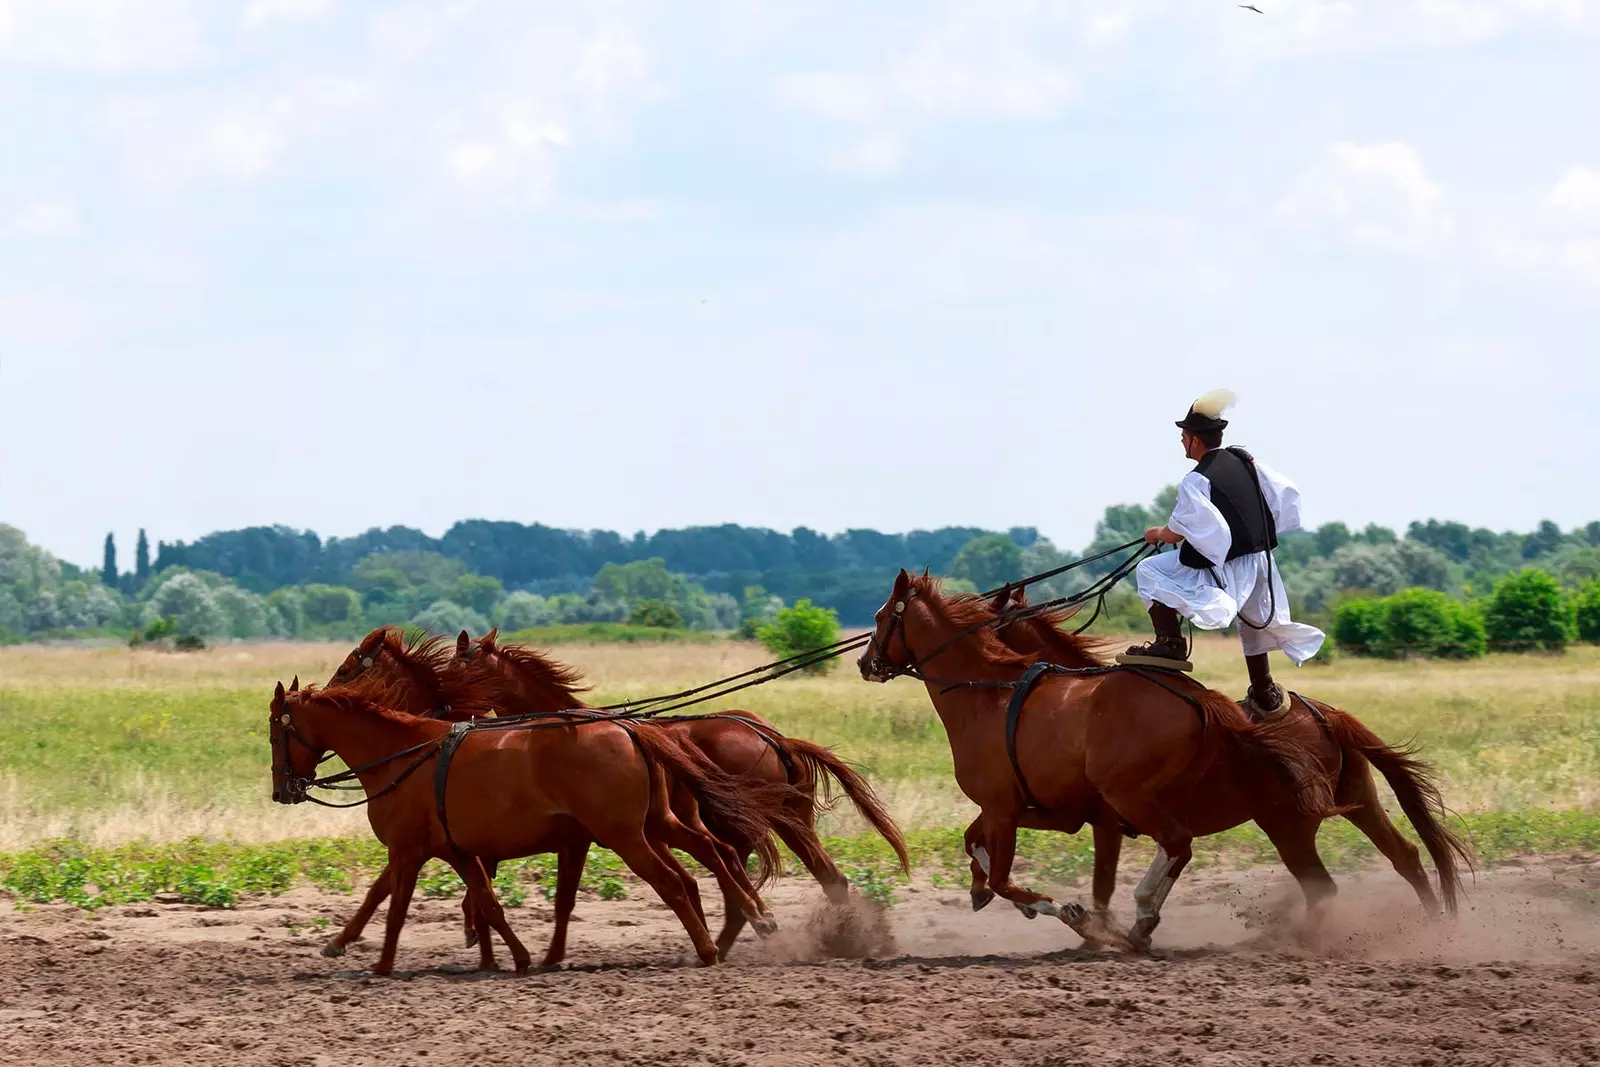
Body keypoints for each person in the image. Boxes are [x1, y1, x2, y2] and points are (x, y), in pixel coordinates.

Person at [1117, 389, 1325, 718]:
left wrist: (1155, 533)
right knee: (1253, 625)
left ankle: (1169, 643)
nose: (1182, 442)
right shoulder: (1244, 460)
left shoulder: (1195, 480)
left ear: (1196, 441)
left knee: (1149, 570)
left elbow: (1176, 532)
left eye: (1184, 436)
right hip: (1261, 560)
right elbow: (1281, 493)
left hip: (1230, 564)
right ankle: (1264, 690)